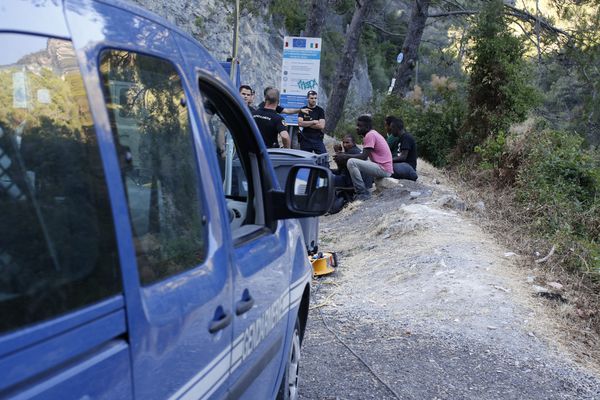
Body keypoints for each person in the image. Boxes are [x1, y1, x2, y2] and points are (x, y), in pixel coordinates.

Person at [333, 115, 392, 201]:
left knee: (351, 162)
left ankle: (362, 192)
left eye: (360, 126)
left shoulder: (370, 135)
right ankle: (362, 190)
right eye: (357, 125)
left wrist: (344, 156)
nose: (357, 128)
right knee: (352, 161)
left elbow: (363, 156)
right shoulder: (371, 134)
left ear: (367, 127)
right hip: (382, 167)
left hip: (383, 169)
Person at [297, 90, 326, 154]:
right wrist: (313, 122)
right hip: (305, 139)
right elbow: (300, 123)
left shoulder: (320, 110)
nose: (314, 100)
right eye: (312, 98)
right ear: (307, 98)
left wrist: (306, 123)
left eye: (315, 98)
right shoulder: (303, 109)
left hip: (317, 139)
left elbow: (321, 126)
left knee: (323, 157)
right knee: (305, 159)